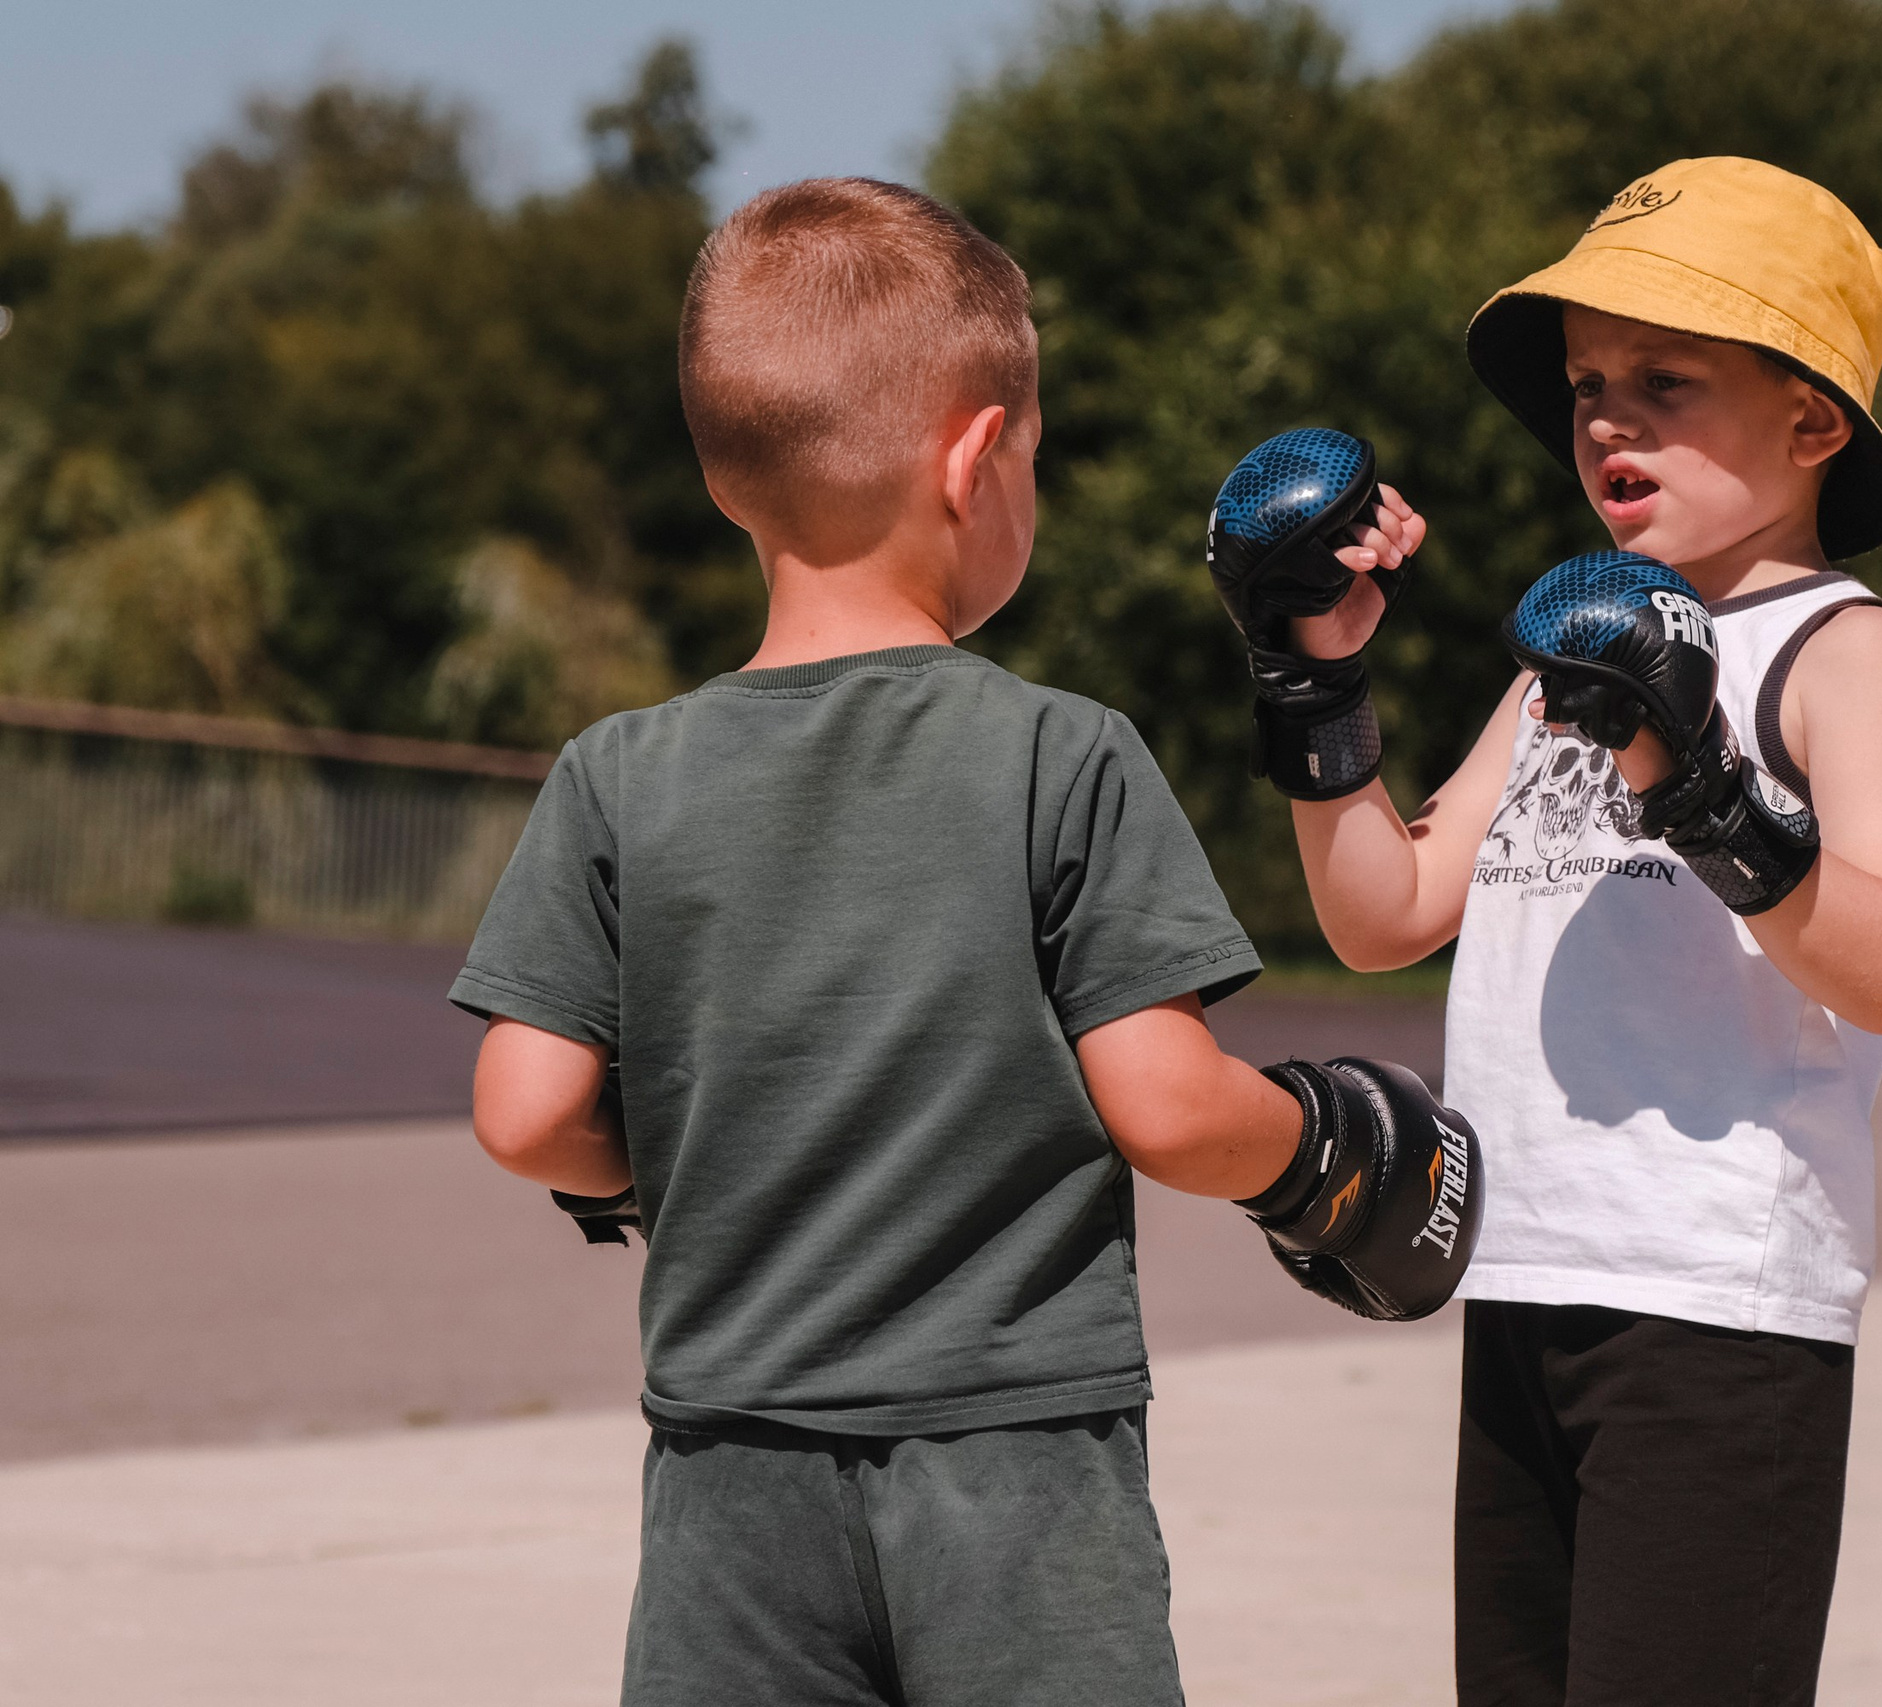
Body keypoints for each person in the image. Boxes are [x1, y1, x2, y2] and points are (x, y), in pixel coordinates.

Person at [450, 176, 1473, 1707]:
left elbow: (525, 1114)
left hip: (731, 1476)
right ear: (979, 460)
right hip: (1016, 1468)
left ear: (730, 480)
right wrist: (1333, 1154)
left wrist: (672, 1164)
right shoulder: (1063, 755)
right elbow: (1170, 1105)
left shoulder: (618, 773)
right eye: (1037, 461)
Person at [1222, 157, 1882, 1703]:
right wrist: (1317, 680)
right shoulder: (1569, 656)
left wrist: (1704, 787)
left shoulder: (1843, 647)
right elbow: (1383, 911)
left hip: (1713, 1317)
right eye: (1587, 386)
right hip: (1522, 1281)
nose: (1609, 420)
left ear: (1814, 420)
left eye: (1667, 381)